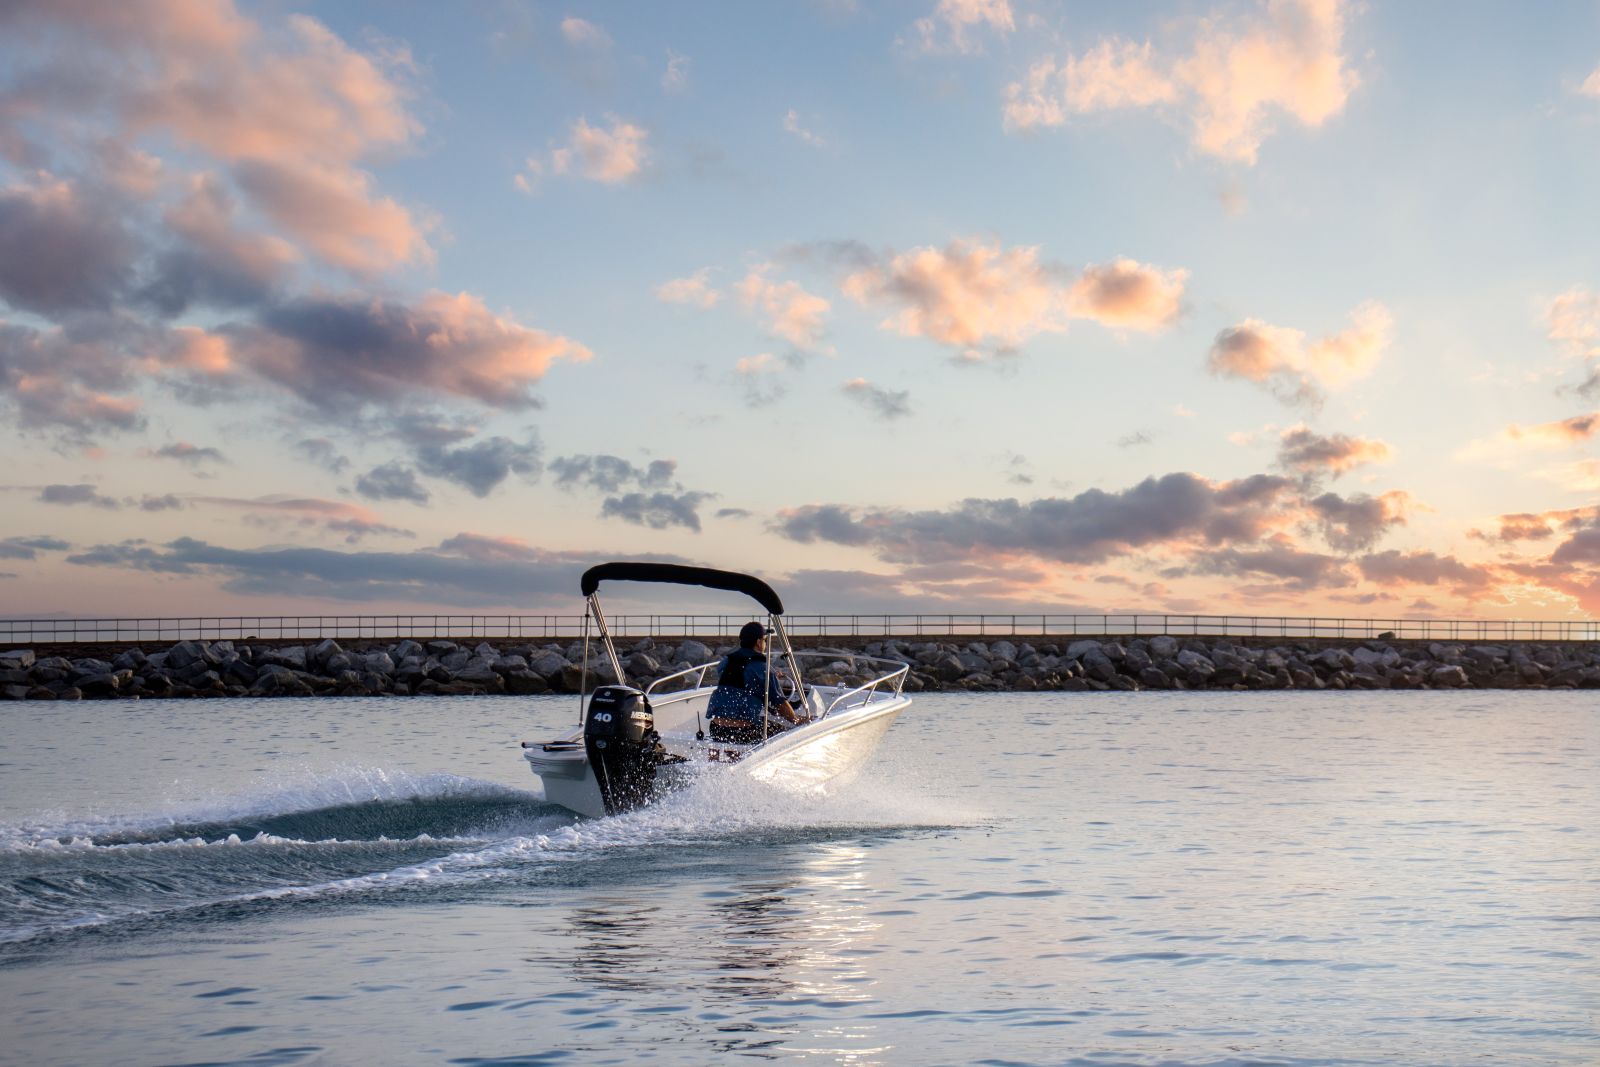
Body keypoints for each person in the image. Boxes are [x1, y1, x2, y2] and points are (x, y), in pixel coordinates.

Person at [706, 621, 807, 744]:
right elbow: (780, 703)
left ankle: (730, 758)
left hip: (717, 729)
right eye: (765, 640)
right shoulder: (763, 668)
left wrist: (770, 676)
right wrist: (796, 719)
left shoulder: (727, 661)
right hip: (743, 732)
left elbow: (737, 678)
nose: (765, 643)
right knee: (785, 733)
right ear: (759, 643)